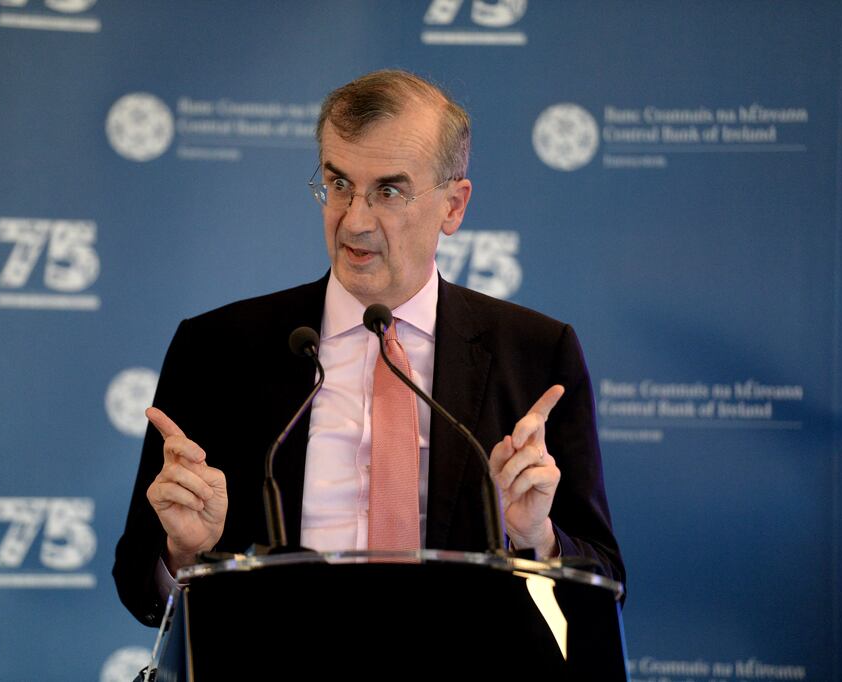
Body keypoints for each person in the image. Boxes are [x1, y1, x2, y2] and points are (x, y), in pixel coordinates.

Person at [114, 70, 624, 626]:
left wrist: (537, 537)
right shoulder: (217, 350)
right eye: (338, 185)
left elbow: (606, 585)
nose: (354, 221)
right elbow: (142, 587)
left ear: (453, 206)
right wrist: (185, 554)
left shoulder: (535, 353)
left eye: (388, 191)